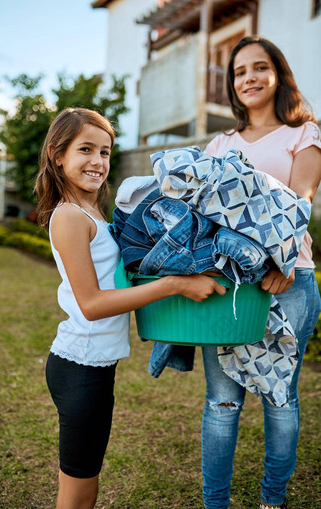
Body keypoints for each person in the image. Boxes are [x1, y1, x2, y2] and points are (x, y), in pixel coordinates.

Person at [34, 107, 227, 509]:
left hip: (95, 365)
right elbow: (91, 304)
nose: (97, 162)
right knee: (78, 487)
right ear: (57, 154)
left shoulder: (91, 213)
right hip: (80, 367)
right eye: (85, 149)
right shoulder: (69, 217)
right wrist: (174, 284)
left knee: (84, 474)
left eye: (104, 152)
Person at [201, 36, 321, 509]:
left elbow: (301, 203)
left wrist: (283, 263)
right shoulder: (219, 143)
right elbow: (204, 215)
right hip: (230, 287)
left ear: (278, 75)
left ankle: (273, 499)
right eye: (238, 71)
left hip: (289, 282)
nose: (248, 78)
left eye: (258, 68)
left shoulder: (304, 134)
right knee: (221, 402)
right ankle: (216, 503)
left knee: (280, 399)